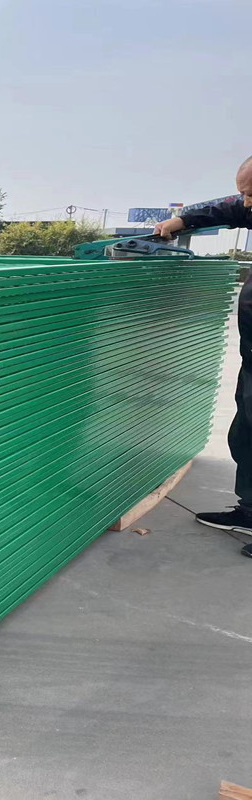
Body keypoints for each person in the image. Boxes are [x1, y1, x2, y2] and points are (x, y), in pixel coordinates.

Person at [154, 156, 252, 557]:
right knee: (246, 430)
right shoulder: (248, 206)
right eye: (245, 193)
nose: (246, 203)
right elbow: (222, 208)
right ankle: (250, 511)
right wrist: (181, 220)